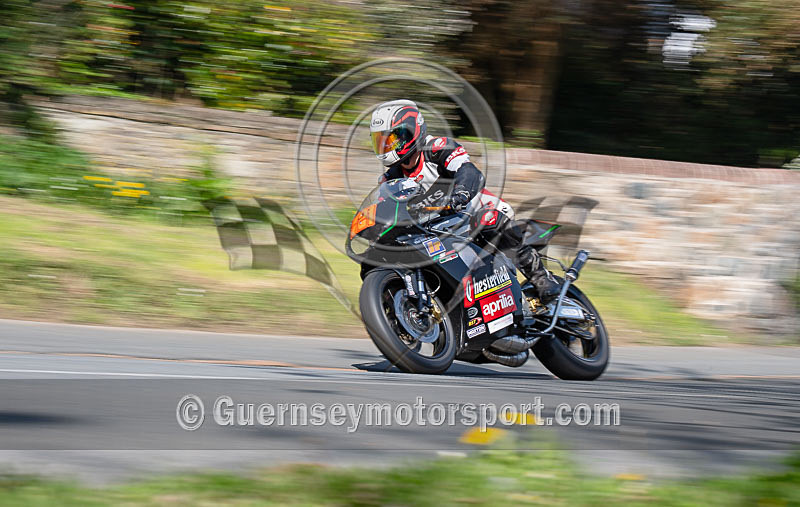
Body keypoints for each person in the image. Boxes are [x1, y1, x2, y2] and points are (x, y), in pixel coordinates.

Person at [369, 99, 562, 303]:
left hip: (474, 210)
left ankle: (542, 278)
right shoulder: (390, 179)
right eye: (381, 141)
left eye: (392, 139)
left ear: (411, 131)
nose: (386, 146)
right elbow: (384, 209)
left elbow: (469, 172)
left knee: (487, 218)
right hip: (440, 229)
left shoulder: (437, 148)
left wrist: (459, 194)